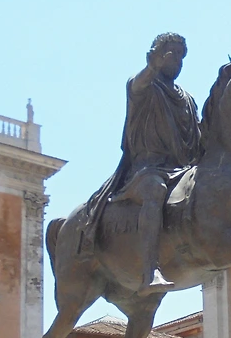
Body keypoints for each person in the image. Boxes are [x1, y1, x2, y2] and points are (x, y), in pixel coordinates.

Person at [83, 32, 202, 292]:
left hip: (182, 170)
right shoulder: (144, 86)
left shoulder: (188, 99)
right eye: (171, 54)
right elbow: (137, 85)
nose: (177, 61)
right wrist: (151, 68)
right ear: (157, 55)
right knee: (155, 190)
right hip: (147, 169)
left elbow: (200, 137)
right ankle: (151, 270)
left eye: (181, 56)